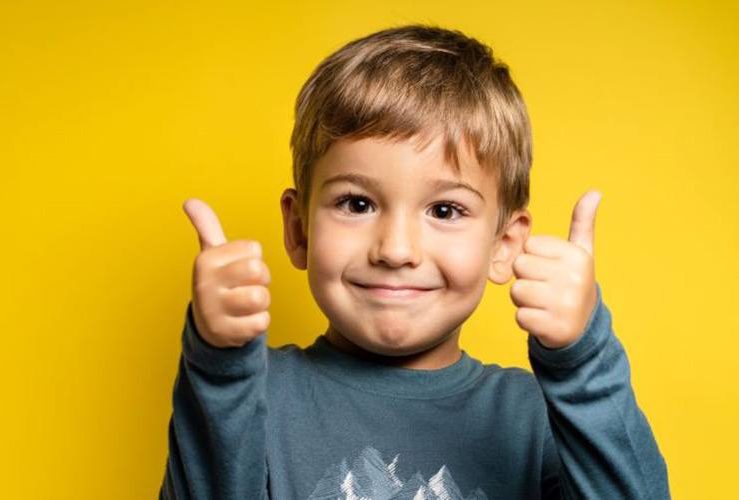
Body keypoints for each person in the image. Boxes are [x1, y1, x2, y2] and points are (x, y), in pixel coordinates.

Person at [159, 24, 669, 499]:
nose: (396, 250)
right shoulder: (261, 398)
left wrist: (582, 360)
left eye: (445, 210)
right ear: (298, 230)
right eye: (357, 204)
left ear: (503, 246)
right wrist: (219, 367)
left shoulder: (533, 418)